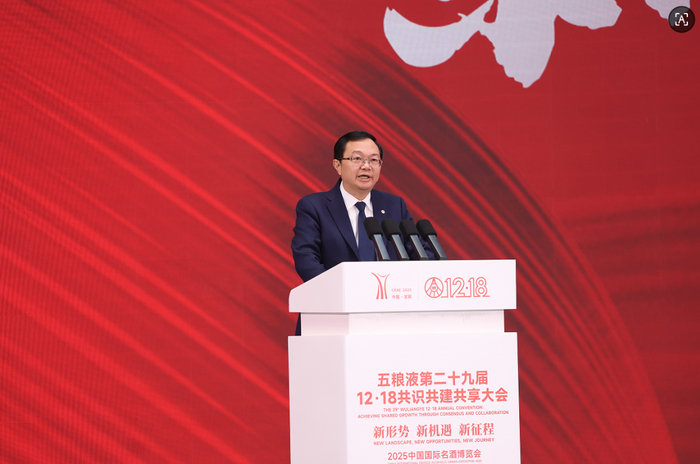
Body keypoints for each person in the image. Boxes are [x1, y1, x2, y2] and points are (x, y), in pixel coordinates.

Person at [291, 130, 433, 283]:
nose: (366, 166)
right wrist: (341, 290)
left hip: (388, 295)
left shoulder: (394, 205)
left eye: (374, 160)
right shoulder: (314, 207)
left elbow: (420, 252)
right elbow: (306, 260)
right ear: (338, 165)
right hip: (337, 295)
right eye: (357, 159)